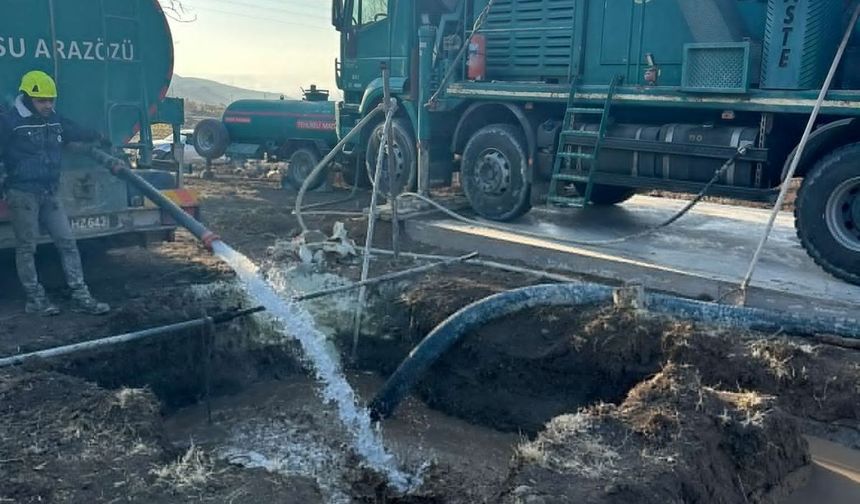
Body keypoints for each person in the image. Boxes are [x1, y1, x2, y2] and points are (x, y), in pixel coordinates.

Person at [0, 70, 110, 316]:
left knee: (67, 243)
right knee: (27, 247)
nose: (48, 105)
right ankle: (35, 300)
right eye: (42, 101)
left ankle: (81, 294)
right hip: (22, 194)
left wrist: (98, 137)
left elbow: (74, 131)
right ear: (27, 98)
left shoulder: (55, 119)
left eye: (51, 100)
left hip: (49, 193)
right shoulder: (9, 123)